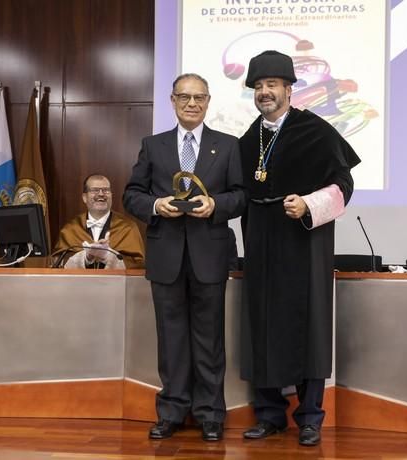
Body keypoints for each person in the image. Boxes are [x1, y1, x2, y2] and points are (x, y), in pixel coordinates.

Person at [238, 50, 361, 447]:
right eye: (258, 86)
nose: (264, 93)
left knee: (310, 326)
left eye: (271, 84)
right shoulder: (246, 139)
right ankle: (270, 414)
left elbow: (344, 185)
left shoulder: (317, 131)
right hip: (261, 242)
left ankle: (309, 417)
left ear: (289, 89)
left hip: (304, 242)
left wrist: (309, 204)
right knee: (262, 325)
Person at [123, 73, 246, 441]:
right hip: (166, 256)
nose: (191, 104)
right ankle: (172, 410)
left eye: (199, 98)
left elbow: (241, 196)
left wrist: (215, 204)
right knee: (171, 338)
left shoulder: (228, 146)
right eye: (184, 97)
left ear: (208, 102)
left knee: (210, 340)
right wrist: (157, 205)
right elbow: (131, 195)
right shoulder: (153, 145)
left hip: (210, 254)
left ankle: (210, 414)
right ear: (172, 101)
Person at [52, 174, 145, 269]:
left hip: (114, 284)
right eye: (95, 190)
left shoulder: (128, 227)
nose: (101, 194)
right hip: (79, 284)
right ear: (84, 197)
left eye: (106, 190)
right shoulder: (70, 229)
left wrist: (110, 256)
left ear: (111, 196)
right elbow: (58, 263)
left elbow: (138, 265)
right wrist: (85, 257)